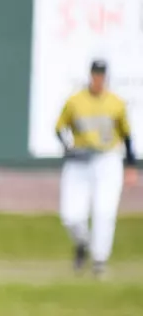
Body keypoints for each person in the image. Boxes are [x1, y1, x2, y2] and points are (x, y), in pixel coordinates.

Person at [56, 59, 137, 279]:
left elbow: (127, 135)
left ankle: (99, 260)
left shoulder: (115, 102)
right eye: (95, 74)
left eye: (102, 74)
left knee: (104, 211)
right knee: (71, 216)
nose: (98, 78)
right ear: (90, 75)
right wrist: (67, 147)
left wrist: (131, 166)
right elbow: (60, 127)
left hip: (107, 159)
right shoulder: (75, 101)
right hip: (80, 159)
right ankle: (83, 243)